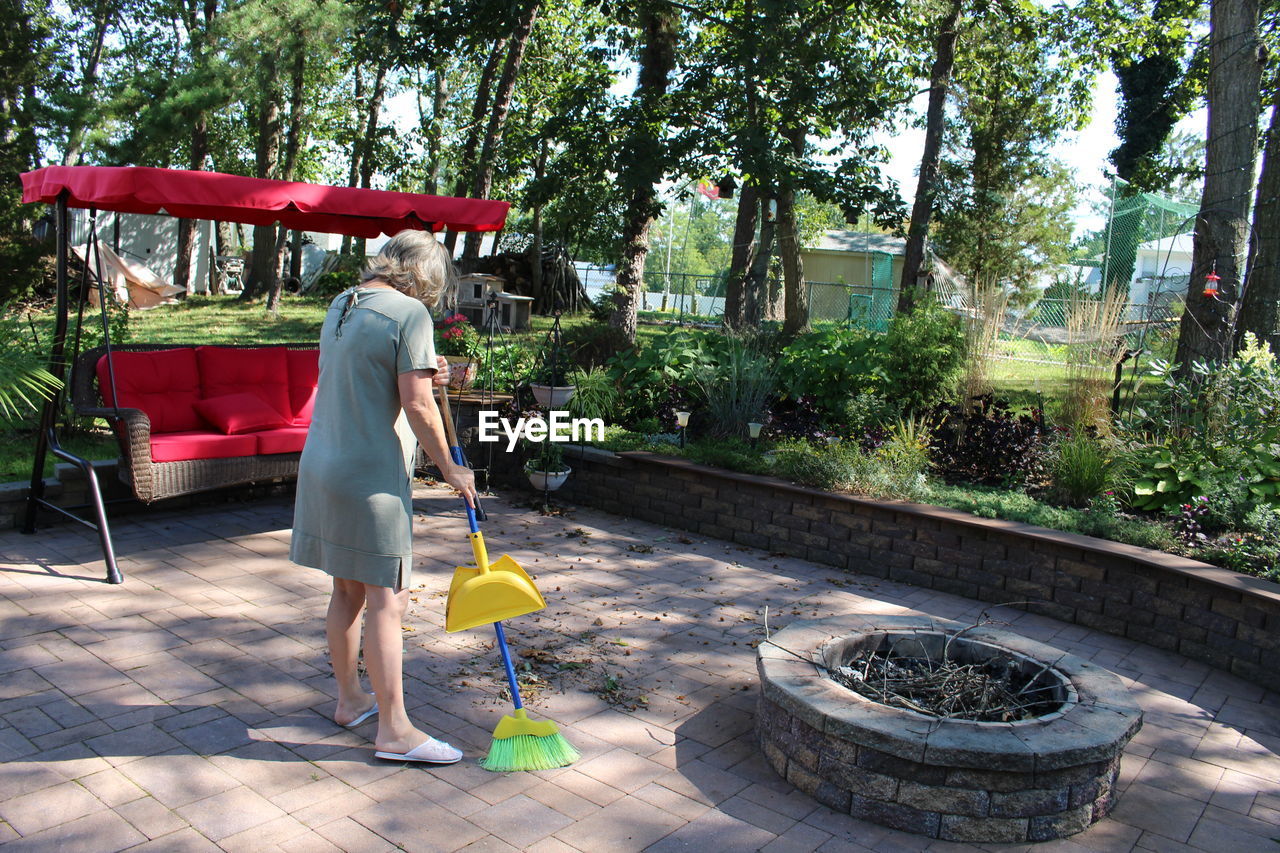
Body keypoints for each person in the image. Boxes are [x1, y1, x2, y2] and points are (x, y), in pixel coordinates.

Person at [290, 230, 478, 765]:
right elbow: (418, 406)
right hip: (368, 475)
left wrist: (428, 367)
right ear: (425, 275)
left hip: (323, 463)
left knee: (346, 591)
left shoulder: (343, 302)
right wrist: (452, 471)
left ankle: (351, 701)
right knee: (386, 601)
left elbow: (371, 373)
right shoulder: (410, 313)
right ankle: (395, 731)